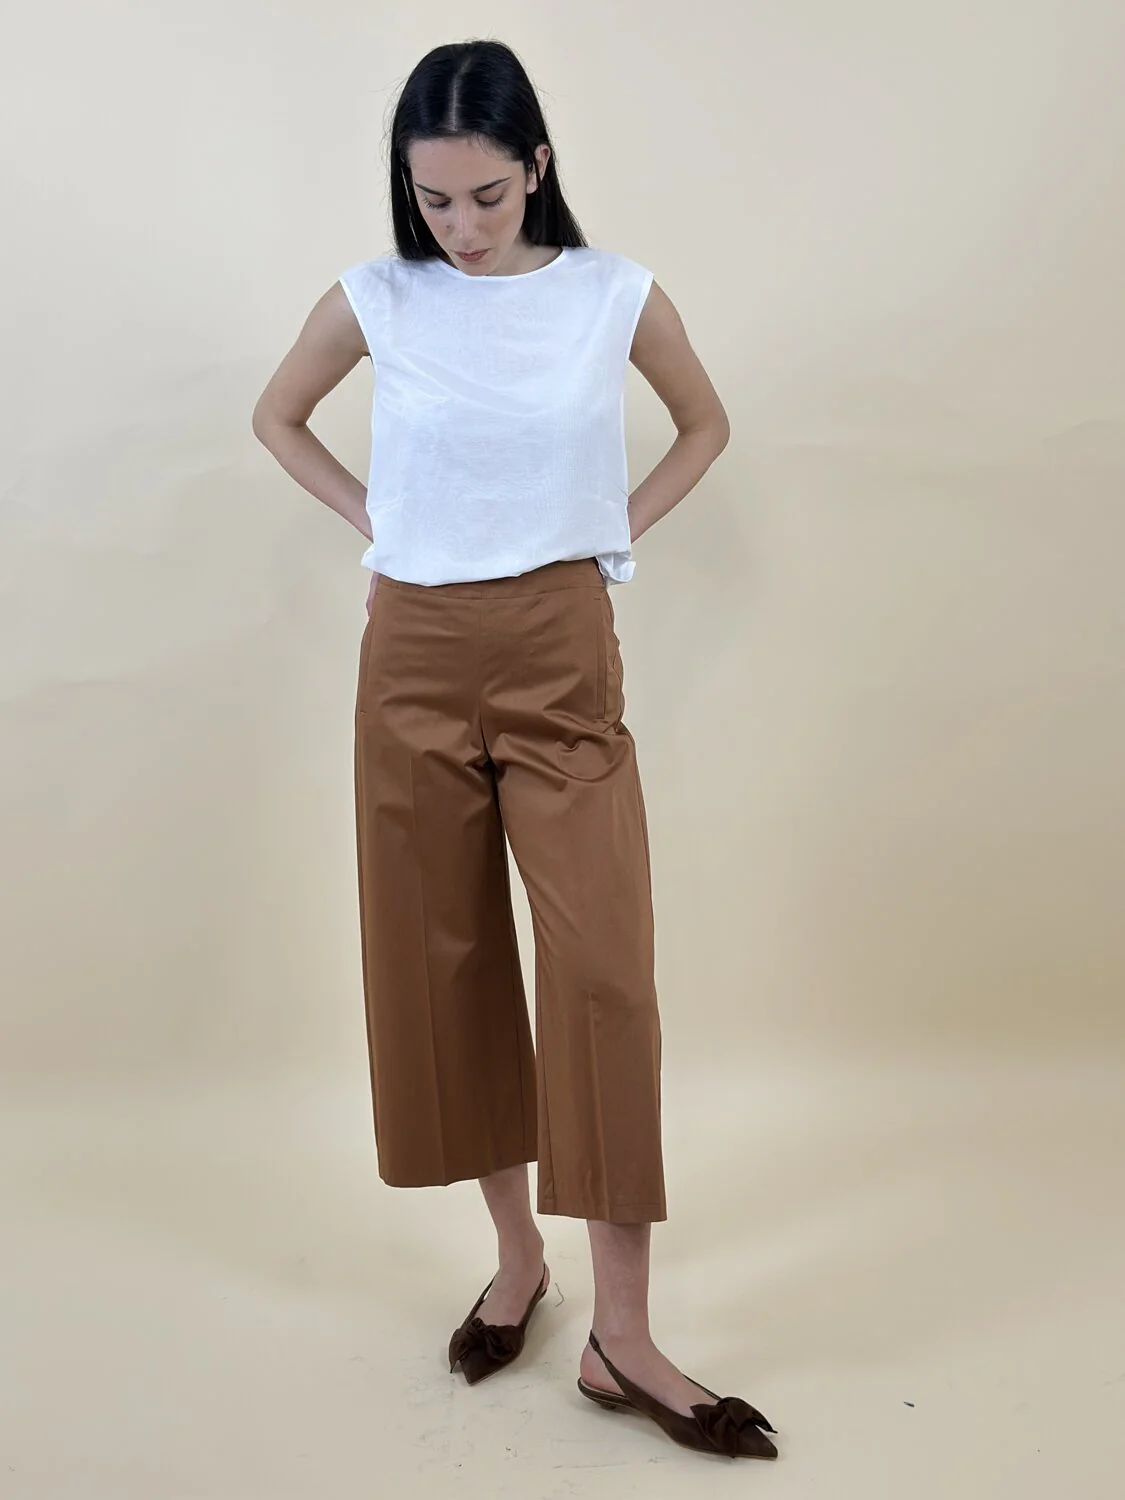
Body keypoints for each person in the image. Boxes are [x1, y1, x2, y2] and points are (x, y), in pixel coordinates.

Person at [252, 38, 776, 1461]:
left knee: (604, 968)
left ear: (536, 164)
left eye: (486, 195)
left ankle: (625, 1337)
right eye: (433, 201)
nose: (461, 228)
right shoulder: (379, 296)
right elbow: (276, 417)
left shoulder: (614, 294)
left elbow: (706, 424)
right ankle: (517, 1260)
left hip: (559, 647)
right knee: (445, 959)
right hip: (412, 654)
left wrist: (613, 529)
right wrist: (379, 519)